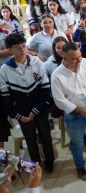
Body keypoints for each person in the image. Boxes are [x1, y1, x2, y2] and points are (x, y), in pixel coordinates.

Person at [51, 42, 86, 181]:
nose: (79, 61)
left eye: (80, 56)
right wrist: (81, 111)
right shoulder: (57, 76)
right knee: (77, 142)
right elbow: (60, 101)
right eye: (74, 59)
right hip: (74, 115)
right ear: (64, 58)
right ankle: (80, 166)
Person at [0, 33, 54, 172]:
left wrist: (36, 110)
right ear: (9, 50)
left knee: (45, 135)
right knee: (30, 139)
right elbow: (6, 97)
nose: (22, 50)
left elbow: (45, 89)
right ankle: (35, 164)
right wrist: (17, 115)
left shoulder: (37, 62)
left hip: (41, 109)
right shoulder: (5, 70)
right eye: (17, 48)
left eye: (24, 46)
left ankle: (49, 161)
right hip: (22, 112)